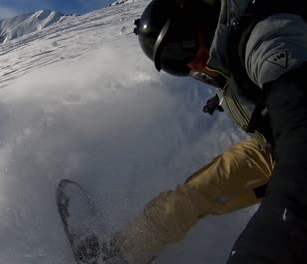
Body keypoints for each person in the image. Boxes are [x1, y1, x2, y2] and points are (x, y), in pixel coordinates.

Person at [75, 0, 307, 263]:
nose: (193, 62)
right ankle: (119, 252)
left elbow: (296, 110)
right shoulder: (221, 55)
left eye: (183, 43)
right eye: (176, 62)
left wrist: (273, 235)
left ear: (201, 13)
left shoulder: (269, 37)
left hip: (294, 153)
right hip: (270, 148)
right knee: (191, 197)